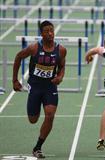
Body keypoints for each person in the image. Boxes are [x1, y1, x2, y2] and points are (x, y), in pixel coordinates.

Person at [12, 20, 67, 158]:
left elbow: (62, 67)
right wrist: (15, 80)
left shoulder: (61, 50)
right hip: (35, 86)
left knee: (50, 114)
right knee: (33, 119)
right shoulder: (34, 48)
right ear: (41, 33)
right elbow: (18, 57)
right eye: (46, 31)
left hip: (50, 86)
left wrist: (60, 77)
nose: (50, 33)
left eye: (52, 30)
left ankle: (38, 147)